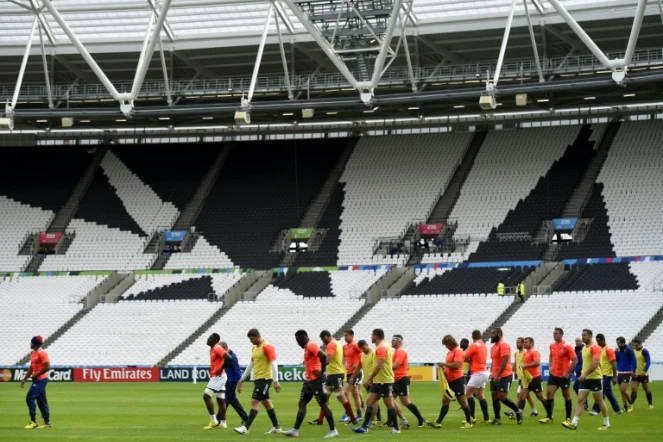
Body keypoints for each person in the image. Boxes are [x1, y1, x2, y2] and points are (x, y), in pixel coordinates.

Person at [282, 330, 337, 438]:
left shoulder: (311, 345)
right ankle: (295, 430)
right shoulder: (307, 347)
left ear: (303, 338)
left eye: (298, 341)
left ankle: (333, 430)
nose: (298, 343)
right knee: (302, 403)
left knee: (323, 404)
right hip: (309, 381)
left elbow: (323, 356)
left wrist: (321, 371)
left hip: (317, 380)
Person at [351, 328, 400, 434]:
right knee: (369, 402)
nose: (371, 337)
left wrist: (369, 379)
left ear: (376, 336)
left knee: (389, 404)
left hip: (385, 380)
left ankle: (396, 428)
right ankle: (364, 427)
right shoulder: (381, 346)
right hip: (378, 381)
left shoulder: (382, 347)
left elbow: (379, 365)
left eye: (372, 335)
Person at [234, 328, 282, 435]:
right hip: (257, 378)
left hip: (265, 378)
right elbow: (251, 364)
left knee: (255, 401)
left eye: (252, 339)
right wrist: (242, 378)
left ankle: (246, 427)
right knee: (266, 402)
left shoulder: (267, 347)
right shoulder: (254, 348)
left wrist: (275, 380)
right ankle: (277, 427)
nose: (251, 341)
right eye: (250, 339)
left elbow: (274, 363)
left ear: (258, 336)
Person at [562, 329, 611, 431]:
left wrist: (584, 374)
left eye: (584, 335)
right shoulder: (584, 348)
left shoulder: (595, 347)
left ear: (590, 336)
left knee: (599, 400)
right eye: (582, 335)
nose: (582, 337)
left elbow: (595, 363)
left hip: (595, 378)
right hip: (585, 379)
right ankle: (574, 423)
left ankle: (606, 423)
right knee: (580, 400)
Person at [309, 331, 358, 426]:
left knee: (341, 397)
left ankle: (353, 418)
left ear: (326, 336)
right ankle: (320, 420)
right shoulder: (336, 343)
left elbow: (328, 360)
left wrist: (320, 371)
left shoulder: (331, 344)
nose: (323, 341)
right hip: (332, 375)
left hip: (335, 374)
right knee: (325, 398)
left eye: (323, 339)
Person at [427, 335, 474, 429]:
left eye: (446, 344)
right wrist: (443, 372)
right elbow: (449, 367)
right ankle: (438, 422)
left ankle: (469, 422)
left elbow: (456, 365)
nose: (446, 346)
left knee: (462, 401)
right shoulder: (450, 353)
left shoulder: (458, 351)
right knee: (445, 401)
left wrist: (444, 364)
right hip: (450, 380)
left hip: (458, 380)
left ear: (451, 343)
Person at [540, 327, 577, 424]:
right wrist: (550, 365)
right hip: (554, 374)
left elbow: (575, 360)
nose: (554, 335)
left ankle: (568, 418)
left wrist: (568, 372)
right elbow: (551, 355)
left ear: (561, 334)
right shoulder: (552, 345)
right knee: (549, 394)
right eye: (553, 333)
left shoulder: (567, 346)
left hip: (564, 375)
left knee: (566, 396)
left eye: (556, 333)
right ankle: (549, 417)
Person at [390, 334, 427, 428]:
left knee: (405, 401)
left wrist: (383, 369)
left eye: (393, 340)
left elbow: (396, 365)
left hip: (402, 379)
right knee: (390, 400)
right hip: (395, 380)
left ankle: (420, 418)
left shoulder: (401, 351)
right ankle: (397, 421)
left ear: (398, 341)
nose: (391, 342)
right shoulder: (396, 351)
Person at [488, 328, 522, 425]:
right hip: (494, 375)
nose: (491, 335)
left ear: (499, 333)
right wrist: (493, 374)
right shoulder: (494, 347)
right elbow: (495, 361)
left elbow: (505, 360)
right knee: (494, 396)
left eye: (493, 333)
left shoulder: (504, 344)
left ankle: (518, 411)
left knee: (502, 397)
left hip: (504, 375)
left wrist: (499, 375)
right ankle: (497, 419)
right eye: (491, 333)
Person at [349, 340, 382, 428]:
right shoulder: (361, 355)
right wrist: (352, 377)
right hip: (368, 382)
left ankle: (371, 421)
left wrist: (371, 379)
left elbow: (380, 366)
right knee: (374, 402)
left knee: (372, 402)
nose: (363, 350)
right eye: (361, 349)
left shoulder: (374, 353)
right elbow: (358, 368)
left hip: (376, 381)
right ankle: (377, 419)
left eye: (364, 348)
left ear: (367, 345)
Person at [203, 333, 232, 430]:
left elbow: (228, 357)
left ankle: (214, 420)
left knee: (206, 396)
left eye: (210, 338)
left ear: (215, 340)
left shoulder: (217, 348)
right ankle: (223, 423)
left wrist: (221, 368)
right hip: (219, 376)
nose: (208, 339)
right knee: (221, 400)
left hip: (218, 377)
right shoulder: (212, 349)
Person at [21, 335, 51, 429]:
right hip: (37, 379)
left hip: (41, 379)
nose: (30, 343)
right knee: (41, 401)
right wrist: (25, 378)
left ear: (34, 343)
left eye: (31, 342)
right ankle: (47, 423)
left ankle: (33, 421)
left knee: (29, 397)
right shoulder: (33, 353)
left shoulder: (42, 353)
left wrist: (36, 374)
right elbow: (31, 367)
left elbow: (47, 367)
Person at [517, 338, 551, 419]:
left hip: (535, 378)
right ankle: (519, 415)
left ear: (531, 343)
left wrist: (525, 366)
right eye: (524, 342)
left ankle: (550, 413)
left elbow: (537, 362)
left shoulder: (535, 352)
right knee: (522, 396)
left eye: (526, 342)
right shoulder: (526, 352)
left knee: (540, 397)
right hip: (527, 378)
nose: (524, 344)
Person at [463, 330, 490, 424]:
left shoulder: (473, 345)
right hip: (484, 371)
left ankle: (471, 417)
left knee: (468, 393)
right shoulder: (483, 345)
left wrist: (468, 359)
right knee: (480, 395)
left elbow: (465, 357)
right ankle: (486, 418)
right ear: (480, 336)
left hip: (478, 373)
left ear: (472, 336)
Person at [590, 334, 621, 415]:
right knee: (608, 393)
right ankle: (618, 409)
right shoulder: (600, 349)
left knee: (601, 391)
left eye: (598, 341)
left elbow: (613, 363)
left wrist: (614, 376)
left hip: (607, 374)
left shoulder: (609, 349)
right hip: (601, 374)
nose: (597, 342)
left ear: (602, 340)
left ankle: (596, 410)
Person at [220, 342, 249, 426]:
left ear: (225, 348)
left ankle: (218, 419)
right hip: (227, 381)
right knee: (233, 401)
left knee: (225, 401)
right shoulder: (225, 356)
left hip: (231, 382)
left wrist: (240, 383)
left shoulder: (232, 357)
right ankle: (246, 418)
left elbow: (237, 370)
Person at [507, 337, 536, 420]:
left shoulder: (526, 352)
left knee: (520, 394)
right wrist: (512, 370)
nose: (517, 344)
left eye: (519, 342)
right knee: (526, 395)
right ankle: (534, 410)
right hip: (520, 376)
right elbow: (516, 364)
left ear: (523, 343)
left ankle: (513, 411)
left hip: (526, 376)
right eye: (516, 342)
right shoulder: (516, 353)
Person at [341, 330, 364, 423]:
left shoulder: (355, 344)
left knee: (346, 392)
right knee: (355, 393)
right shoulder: (344, 347)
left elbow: (364, 353)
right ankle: (358, 415)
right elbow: (343, 357)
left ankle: (348, 413)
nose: (345, 337)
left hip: (356, 372)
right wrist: (344, 364)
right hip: (349, 372)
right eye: (344, 335)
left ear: (352, 336)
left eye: (346, 335)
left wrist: (357, 363)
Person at [615, 336, 636, 413]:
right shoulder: (619, 351)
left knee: (623, 389)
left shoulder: (629, 350)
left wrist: (633, 370)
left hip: (627, 372)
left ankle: (631, 403)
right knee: (621, 391)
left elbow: (634, 360)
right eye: (617, 343)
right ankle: (625, 406)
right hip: (619, 372)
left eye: (619, 343)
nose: (617, 344)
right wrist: (615, 352)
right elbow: (616, 359)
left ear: (623, 342)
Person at [630, 338, 653, 409]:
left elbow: (648, 362)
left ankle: (650, 404)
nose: (635, 347)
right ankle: (631, 405)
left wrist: (644, 370)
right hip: (635, 374)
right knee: (633, 388)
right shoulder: (633, 351)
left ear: (640, 345)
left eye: (636, 345)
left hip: (643, 374)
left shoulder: (644, 351)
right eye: (634, 345)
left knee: (646, 389)